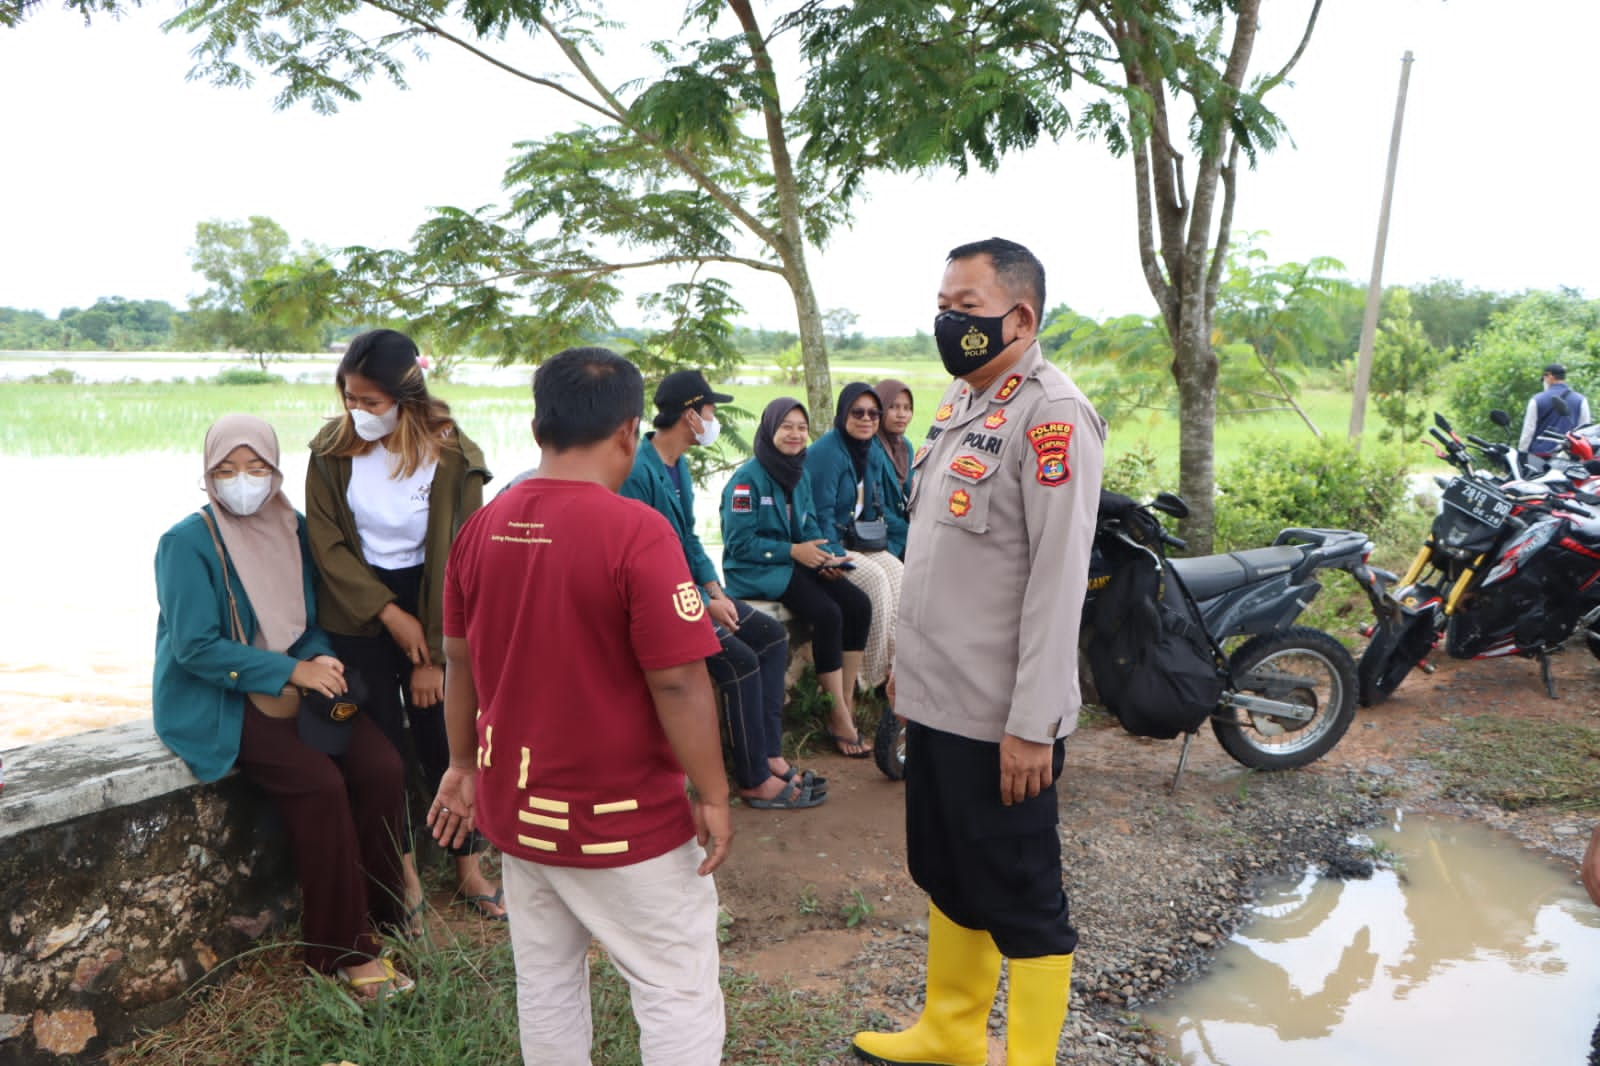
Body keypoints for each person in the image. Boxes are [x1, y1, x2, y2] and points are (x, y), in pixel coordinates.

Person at [428, 346, 733, 1066]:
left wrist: (461, 765)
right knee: (675, 985)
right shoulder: (636, 531)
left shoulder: (483, 527)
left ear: (539, 428)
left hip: (520, 814)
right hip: (624, 819)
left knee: (546, 981)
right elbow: (680, 681)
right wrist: (715, 794)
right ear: (630, 430)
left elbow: (459, 663)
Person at [853, 238, 1105, 1066]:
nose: (946, 322)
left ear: (1020, 316)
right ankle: (951, 1033)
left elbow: (1057, 583)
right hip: (937, 698)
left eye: (965, 308)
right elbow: (935, 561)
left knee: (1024, 896)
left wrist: (1034, 723)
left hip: (1002, 714)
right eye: (944, 306)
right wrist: (903, 675)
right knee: (948, 868)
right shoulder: (960, 404)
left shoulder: (1053, 417)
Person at [154, 414, 411, 998]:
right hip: (218, 694)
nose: (241, 481)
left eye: (255, 468)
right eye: (225, 470)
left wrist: (321, 659)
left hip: (296, 686)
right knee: (319, 783)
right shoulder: (186, 542)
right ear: (206, 475)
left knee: (381, 767)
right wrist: (290, 669)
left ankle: (386, 914)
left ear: (274, 471)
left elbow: (310, 621)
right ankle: (344, 951)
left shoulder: (292, 528)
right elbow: (194, 646)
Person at [304, 328, 503, 927]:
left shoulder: (453, 454)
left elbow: (464, 555)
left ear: (405, 395)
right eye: (349, 398)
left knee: (445, 741)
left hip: (436, 602)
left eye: (370, 401)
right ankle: (406, 876)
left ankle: (467, 865)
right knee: (383, 754)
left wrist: (434, 656)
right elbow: (328, 544)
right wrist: (386, 613)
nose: (357, 412)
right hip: (359, 610)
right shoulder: (331, 449)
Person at [622, 369, 827, 810]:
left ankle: (769, 753)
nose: (715, 421)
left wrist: (714, 591)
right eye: (711, 411)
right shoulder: (640, 473)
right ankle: (753, 779)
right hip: (665, 599)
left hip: (693, 590)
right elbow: (645, 561)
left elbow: (690, 539)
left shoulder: (676, 466)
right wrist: (700, 603)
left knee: (771, 636)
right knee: (739, 660)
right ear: (691, 416)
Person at [721, 399, 875, 758]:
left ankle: (847, 700)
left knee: (857, 603)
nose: (795, 434)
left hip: (796, 563)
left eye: (801, 427)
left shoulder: (799, 473)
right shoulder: (747, 481)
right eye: (786, 426)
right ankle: (836, 714)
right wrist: (794, 552)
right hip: (758, 571)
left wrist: (826, 557)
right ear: (769, 429)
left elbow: (809, 527)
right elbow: (739, 544)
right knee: (827, 613)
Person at [804, 383, 906, 690]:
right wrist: (831, 553)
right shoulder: (827, 453)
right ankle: (868, 679)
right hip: (833, 542)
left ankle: (894, 669)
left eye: (874, 413)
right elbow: (819, 512)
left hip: (860, 538)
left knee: (899, 575)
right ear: (843, 414)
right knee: (875, 581)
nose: (867, 420)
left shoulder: (870, 449)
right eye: (857, 412)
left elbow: (874, 506)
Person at [875, 378, 916, 559]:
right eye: (893, 407)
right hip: (879, 532)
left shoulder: (904, 446)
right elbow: (875, 504)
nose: (902, 414)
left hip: (902, 528)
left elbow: (913, 493)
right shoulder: (870, 445)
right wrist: (910, 533)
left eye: (907, 408)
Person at [1519, 362, 1591, 457]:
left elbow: (1528, 431)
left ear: (1549, 376)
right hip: (1569, 456)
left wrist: (1521, 453)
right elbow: (1584, 431)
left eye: (1544, 379)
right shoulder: (1581, 400)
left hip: (1540, 455)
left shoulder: (1537, 399)